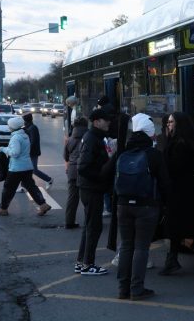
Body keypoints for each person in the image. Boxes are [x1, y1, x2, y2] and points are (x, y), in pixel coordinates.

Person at [115, 113, 169, 300]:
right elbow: (164, 183)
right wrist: (166, 205)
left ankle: (123, 289)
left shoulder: (123, 153)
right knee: (141, 248)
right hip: (146, 207)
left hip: (123, 205)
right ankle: (136, 289)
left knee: (127, 246)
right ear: (150, 133)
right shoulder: (154, 155)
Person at [75, 109, 115, 276]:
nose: (109, 122)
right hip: (92, 188)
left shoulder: (94, 137)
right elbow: (83, 167)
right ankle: (87, 264)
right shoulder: (92, 138)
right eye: (106, 120)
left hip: (90, 187)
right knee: (94, 227)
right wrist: (101, 175)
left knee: (89, 226)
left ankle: (81, 262)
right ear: (97, 121)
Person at [158, 112, 194, 276]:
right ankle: (172, 258)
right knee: (176, 226)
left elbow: (172, 167)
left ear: (179, 124)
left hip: (179, 190)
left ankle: (172, 259)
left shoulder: (180, 145)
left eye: (171, 122)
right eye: (168, 122)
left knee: (174, 225)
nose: (168, 125)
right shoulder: (180, 142)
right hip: (180, 189)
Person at [0, 117, 52, 217]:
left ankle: (3, 208)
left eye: (9, 125)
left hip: (16, 168)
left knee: (8, 189)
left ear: (13, 127)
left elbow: (15, 153)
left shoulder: (15, 138)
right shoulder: (25, 135)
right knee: (31, 187)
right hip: (27, 166)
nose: (8, 127)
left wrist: (3, 149)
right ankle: (43, 204)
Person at [63, 116, 88, 229]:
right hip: (84, 171)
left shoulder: (69, 139)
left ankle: (69, 221)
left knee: (72, 198)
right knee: (88, 198)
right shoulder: (88, 138)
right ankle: (89, 221)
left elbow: (66, 156)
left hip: (72, 171)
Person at [20, 113, 54, 191]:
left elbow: (33, 141)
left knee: (33, 169)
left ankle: (49, 180)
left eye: (23, 120)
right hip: (30, 152)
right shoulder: (28, 127)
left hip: (33, 152)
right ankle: (23, 186)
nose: (23, 122)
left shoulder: (33, 128)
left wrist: (27, 150)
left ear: (26, 120)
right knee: (26, 169)